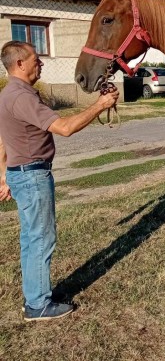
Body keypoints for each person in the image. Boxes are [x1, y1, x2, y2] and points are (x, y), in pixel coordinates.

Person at [0, 40, 119, 322]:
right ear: (19, 64)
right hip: (33, 175)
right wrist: (100, 105)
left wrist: (3, 175)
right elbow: (65, 128)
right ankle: (38, 305)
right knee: (41, 238)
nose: (40, 63)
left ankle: (33, 297)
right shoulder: (21, 97)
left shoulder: (9, 94)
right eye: (35, 59)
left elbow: (3, 138)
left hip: (21, 173)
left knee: (31, 239)